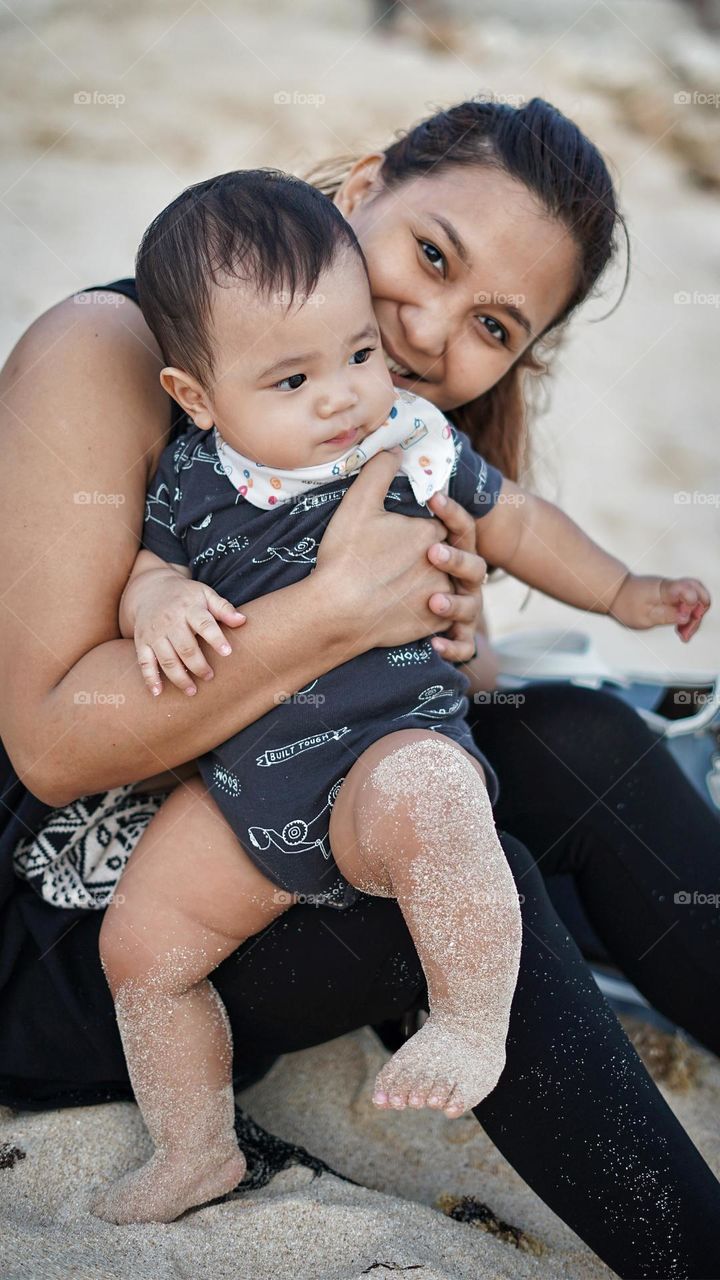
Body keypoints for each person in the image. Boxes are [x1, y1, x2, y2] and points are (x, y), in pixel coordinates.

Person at [1, 97, 719, 1276]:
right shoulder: (114, 352)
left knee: (580, 744)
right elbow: (50, 746)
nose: (432, 328)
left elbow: (457, 673)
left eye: (492, 321)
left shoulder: (394, 425)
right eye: (430, 253)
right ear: (364, 187)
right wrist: (333, 605)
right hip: (72, 910)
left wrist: (447, 611)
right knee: (464, 871)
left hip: (303, 791)